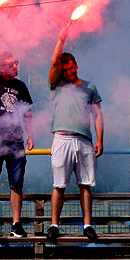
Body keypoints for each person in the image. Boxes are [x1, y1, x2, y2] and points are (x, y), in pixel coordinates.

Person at [46, 25, 104, 243]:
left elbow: (98, 115)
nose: (68, 73)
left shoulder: (90, 87)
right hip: (61, 138)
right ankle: (54, 225)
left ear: (76, 66)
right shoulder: (56, 84)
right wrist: (61, 40)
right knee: (59, 185)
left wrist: (100, 139)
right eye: (65, 70)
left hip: (84, 139)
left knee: (85, 184)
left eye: (71, 69)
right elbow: (53, 63)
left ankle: (87, 225)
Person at [0, 51, 34, 239]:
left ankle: (16, 224)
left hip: (15, 140)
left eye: (16, 63)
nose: (16, 67)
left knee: (16, 183)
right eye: (11, 64)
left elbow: (27, 112)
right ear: (1, 67)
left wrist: (30, 135)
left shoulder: (20, 86)